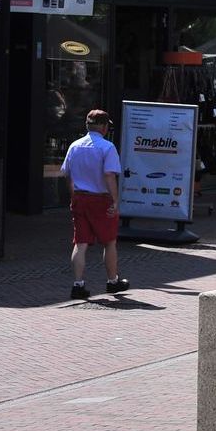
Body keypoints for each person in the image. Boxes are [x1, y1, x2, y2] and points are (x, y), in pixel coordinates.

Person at [61, 110, 128, 300]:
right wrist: (115, 201)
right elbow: (109, 175)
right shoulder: (107, 147)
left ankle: (78, 284)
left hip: (80, 198)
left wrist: (73, 195)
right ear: (105, 127)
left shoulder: (74, 146)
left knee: (80, 242)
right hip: (101, 199)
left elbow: (67, 174)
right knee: (109, 241)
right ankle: (112, 281)